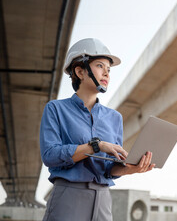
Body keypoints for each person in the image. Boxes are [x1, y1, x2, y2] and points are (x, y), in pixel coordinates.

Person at [40, 38, 155, 221]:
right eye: (100, 66)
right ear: (79, 71)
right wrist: (96, 145)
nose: (107, 74)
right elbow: (50, 156)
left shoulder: (114, 118)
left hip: (103, 200)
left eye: (109, 70)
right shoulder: (55, 109)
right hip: (69, 197)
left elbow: (109, 168)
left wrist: (130, 169)